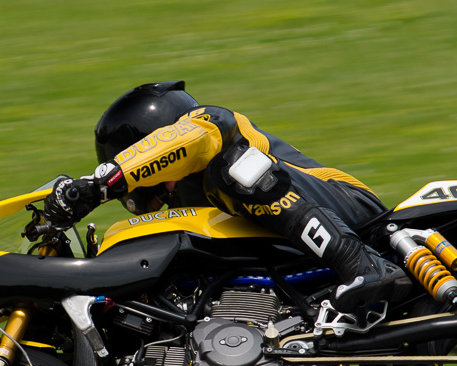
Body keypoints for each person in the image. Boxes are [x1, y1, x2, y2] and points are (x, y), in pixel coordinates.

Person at [43, 80, 407, 325]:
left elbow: (191, 142)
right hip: (296, 251)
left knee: (233, 169)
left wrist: (98, 185)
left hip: (352, 212)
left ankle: (360, 263)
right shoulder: (191, 199)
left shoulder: (209, 124)